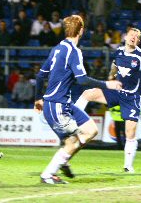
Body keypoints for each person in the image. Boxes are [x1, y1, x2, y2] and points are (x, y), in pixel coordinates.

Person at [74, 28, 141, 172]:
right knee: (87, 93)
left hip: (132, 98)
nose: (133, 38)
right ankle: (73, 123)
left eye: (136, 37)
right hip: (116, 91)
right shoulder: (119, 51)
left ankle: (128, 166)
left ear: (139, 41)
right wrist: (111, 75)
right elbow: (114, 65)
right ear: (125, 36)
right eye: (131, 35)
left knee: (130, 133)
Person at [34, 15, 122, 184]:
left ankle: (64, 158)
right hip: (57, 105)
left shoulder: (57, 49)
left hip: (61, 103)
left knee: (91, 130)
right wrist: (107, 84)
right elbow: (82, 80)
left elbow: (40, 77)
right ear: (81, 31)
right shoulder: (74, 51)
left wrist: (38, 99)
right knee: (73, 141)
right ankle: (48, 175)